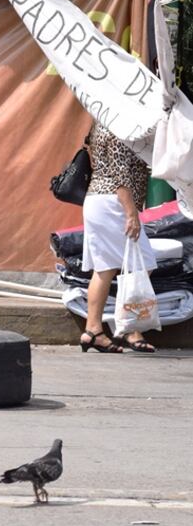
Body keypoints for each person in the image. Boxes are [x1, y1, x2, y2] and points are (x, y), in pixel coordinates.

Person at [79, 124, 157, 354]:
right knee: (143, 265)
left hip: (96, 199)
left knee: (104, 269)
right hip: (115, 203)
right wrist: (131, 213)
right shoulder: (119, 128)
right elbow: (120, 175)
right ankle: (130, 329)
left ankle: (93, 331)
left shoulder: (100, 123)